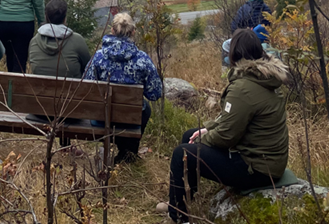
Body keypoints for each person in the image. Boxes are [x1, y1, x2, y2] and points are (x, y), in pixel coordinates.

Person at [160, 28, 289, 223]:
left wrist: (205, 137)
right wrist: (206, 129)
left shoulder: (244, 88)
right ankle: (184, 202)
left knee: (182, 154)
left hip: (256, 168)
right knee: (190, 135)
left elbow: (227, 136)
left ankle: (179, 217)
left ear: (235, 54)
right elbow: (231, 120)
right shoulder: (263, 79)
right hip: (267, 161)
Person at [83, 13, 162, 164]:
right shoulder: (142, 59)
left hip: (101, 119)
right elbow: (155, 93)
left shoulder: (98, 57)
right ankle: (128, 152)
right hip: (130, 121)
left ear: (112, 31)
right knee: (145, 108)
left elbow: (87, 88)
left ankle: (125, 152)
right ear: (133, 32)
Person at [28, 0, 91, 79]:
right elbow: (88, 68)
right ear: (65, 18)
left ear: (46, 16)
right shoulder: (77, 40)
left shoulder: (35, 41)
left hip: (40, 90)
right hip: (72, 90)